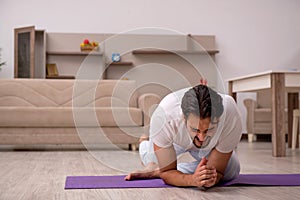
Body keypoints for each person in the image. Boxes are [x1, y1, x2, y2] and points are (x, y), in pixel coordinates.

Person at [125, 84, 242, 188]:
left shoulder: (230, 115)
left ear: (219, 118)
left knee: (230, 170)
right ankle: (144, 143)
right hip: (175, 138)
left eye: (209, 129)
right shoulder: (165, 116)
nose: (201, 138)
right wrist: (191, 180)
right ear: (183, 118)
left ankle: (156, 171)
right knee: (150, 160)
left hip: (211, 144)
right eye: (195, 129)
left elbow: (218, 172)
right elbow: (168, 172)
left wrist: (206, 178)